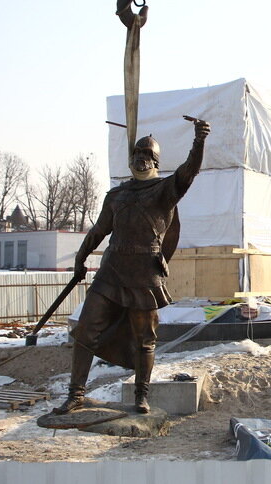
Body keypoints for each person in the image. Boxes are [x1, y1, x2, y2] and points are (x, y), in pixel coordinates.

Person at [53, 117, 210, 415]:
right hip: (111, 271)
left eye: (148, 156)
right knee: (86, 329)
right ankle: (75, 395)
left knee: (144, 339)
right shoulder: (117, 195)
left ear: (156, 162)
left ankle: (141, 395)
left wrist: (198, 141)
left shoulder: (165, 191)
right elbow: (99, 230)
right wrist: (80, 257)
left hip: (144, 274)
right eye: (138, 154)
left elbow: (190, 171)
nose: (142, 159)